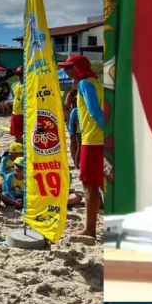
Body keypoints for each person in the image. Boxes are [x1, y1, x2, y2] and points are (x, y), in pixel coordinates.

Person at [58, 55, 103, 237]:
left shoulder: (85, 84)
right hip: (101, 140)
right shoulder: (98, 83)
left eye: (68, 67)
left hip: (93, 140)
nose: (65, 71)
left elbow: (94, 112)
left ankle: (89, 230)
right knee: (104, 184)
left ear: (77, 68)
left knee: (89, 185)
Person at [9, 66, 25, 143]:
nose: (19, 76)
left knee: (29, 136)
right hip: (15, 113)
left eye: (21, 74)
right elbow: (14, 97)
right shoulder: (13, 85)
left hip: (26, 114)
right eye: (18, 74)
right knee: (17, 136)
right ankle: (20, 151)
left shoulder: (30, 85)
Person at [68, 89, 81, 169]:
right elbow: (71, 124)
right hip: (79, 132)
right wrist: (72, 134)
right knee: (79, 147)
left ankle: (79, 165)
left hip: (86, 131)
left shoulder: (87, 108)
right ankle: (77, 166)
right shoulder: (75, 110)